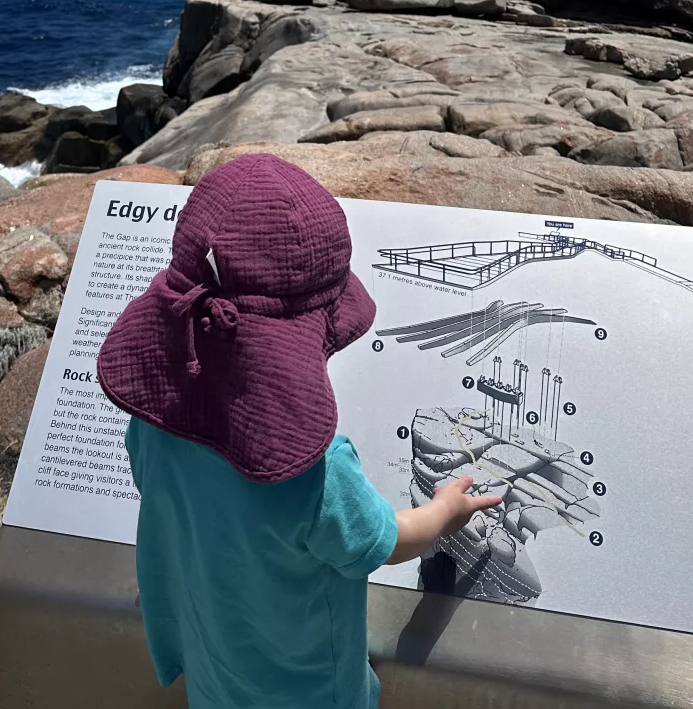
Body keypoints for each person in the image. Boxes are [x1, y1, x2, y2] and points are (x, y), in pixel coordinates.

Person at [97, 150, 501, 709]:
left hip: (216, 678)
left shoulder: (153, 428)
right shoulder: (317, 472)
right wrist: (445, 512)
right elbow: (384, 541)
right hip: (309, 692)